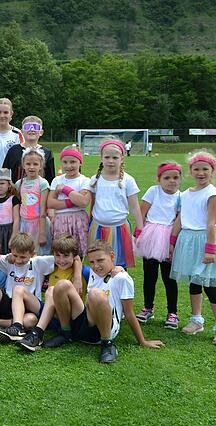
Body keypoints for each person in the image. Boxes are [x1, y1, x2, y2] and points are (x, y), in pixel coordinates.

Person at [43, 241, 164, 363]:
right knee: (61, 285)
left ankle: (107, 344)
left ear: (112, 256)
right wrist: (78, 278)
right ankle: (66, 333)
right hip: (84, 324)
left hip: (103, 329)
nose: (96, 266)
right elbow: (76, 259)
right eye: (92, 262)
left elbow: (129, 313)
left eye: (100, 260)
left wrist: (142, 341)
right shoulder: (92, 273)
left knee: (96, 293)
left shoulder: (122, 278)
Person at [170, 150, 216, 345]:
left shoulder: (213, 193)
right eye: (197, 169)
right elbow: (180, 219)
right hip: (187, 240)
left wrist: (210, 249)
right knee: (194, 283)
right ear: (190, 171)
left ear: (212, 171)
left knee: (210, 285)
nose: (201, 172)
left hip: (205, 241)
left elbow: (211, 223)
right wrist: (172, 242)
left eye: (205, 169)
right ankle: (197, 319)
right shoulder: (186, 194)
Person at [0, 235, 87, 349]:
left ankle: (37, 332)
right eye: (58, 256)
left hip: (72, 316)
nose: (61, 260)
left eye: (65, 256)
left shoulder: (84, 271)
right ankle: (17, 327)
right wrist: (11, 256)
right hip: (52, 317)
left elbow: (78, 258)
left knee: (51, 290)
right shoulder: (53, 266)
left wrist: (78, 276)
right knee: (19, 289)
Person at [0, 233, 54, 340]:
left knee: (30, 320)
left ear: (32, 254)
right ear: (11, 251)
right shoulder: (9, 260)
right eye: (15, 255)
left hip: (29, 303)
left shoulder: (38, 263)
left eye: (23, 257)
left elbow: (70, 258)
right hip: (8, 302)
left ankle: (11, 326)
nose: (18, 260)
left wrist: (78, 277)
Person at [135, 161, 182, 329]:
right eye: (167, 177)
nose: (172, 181)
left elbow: (179, 219)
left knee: (169, 278)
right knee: (149, 275)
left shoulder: (181, 197)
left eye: (176, 177)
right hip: (151, 235)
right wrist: (139, 232)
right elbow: (142, 212)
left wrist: (173, 241)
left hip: (169, 237)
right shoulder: (153, 191)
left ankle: (172, 312)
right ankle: (148, 307)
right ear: (159, 179)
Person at [83, 138, 143, 268]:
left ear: (122, 158)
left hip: (120, 229)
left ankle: (119, 288)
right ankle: (96, 288)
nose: (110, 161)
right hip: (97, 228)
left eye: (115, 157)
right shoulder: (95, 180)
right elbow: (92, 204)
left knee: (119, 266)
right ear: (101, 158)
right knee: (97, 264)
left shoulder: (128, 180)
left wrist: (140, 229)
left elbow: (135, 207)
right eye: (107, 157)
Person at [47, 145, 90, 256]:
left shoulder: (84, 180)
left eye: (73, 162)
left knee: (78, 252)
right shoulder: (57, 180)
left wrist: (65, 189)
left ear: (80, 162)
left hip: (78, 220)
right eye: (65, 162)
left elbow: (84, 202)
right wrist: (73, 200)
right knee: (62, 252)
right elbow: (51, 203)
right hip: (60, 220)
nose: (68, 166)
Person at [16, 147, 51, 254]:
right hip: (24, 224)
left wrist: (42, 233)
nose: (31, 167)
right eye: (28, 164)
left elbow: (43, 209)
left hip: (39, 224)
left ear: (41, 166)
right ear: (23, 165)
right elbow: (18, 206)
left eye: (35, 164)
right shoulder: (19, 184)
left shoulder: (43, 183)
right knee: (24, 252)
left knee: (38, 253)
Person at [2, 116, 55, 183]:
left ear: (41, 132)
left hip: (39, 192)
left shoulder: (47, 153)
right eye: (27, 127)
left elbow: (50, 179)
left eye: (36, 127)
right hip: (16, 191)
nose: (32, 129)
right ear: (22, 131)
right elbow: (4, 174)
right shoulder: (13, 150)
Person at [0, 98, 24, 172]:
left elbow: (23, 160)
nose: (2, 115)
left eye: (5, 112)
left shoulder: (18, 135)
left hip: (12, 181)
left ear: (11, 114)